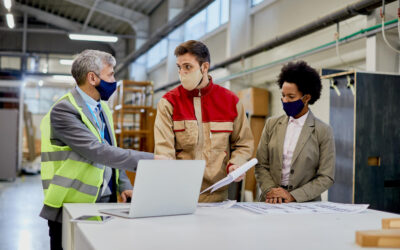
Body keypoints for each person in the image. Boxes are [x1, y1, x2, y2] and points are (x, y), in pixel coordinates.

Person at [39, 49, 167, 250]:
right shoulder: (64, 110)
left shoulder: (102, 107)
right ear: (92, 78)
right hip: (71, 206)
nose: (114, 80)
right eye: (111, 74)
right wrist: (150, 160)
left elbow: (111, 148)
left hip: (104, 204)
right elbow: (97, 151)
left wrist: (124, 184)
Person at [154, 40, 254, 202]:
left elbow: (243, 143)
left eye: (188, 67)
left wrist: (236, 163)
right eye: (179, 67)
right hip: (179, 195)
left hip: (217, 196)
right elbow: (164, 152)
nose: (182, 73)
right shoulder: (168, 103)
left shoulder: (230, 102)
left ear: (204, 67)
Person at [255, 61, 335, 204]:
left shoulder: (323, 131)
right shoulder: (271, 125)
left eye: (291, 97)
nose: (285, 101)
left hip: (305, 204)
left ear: (307, 98)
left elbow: (326, 176)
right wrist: (271, 191)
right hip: (271, 201)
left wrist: (294, 196)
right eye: (283, 95)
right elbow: (261, 165)